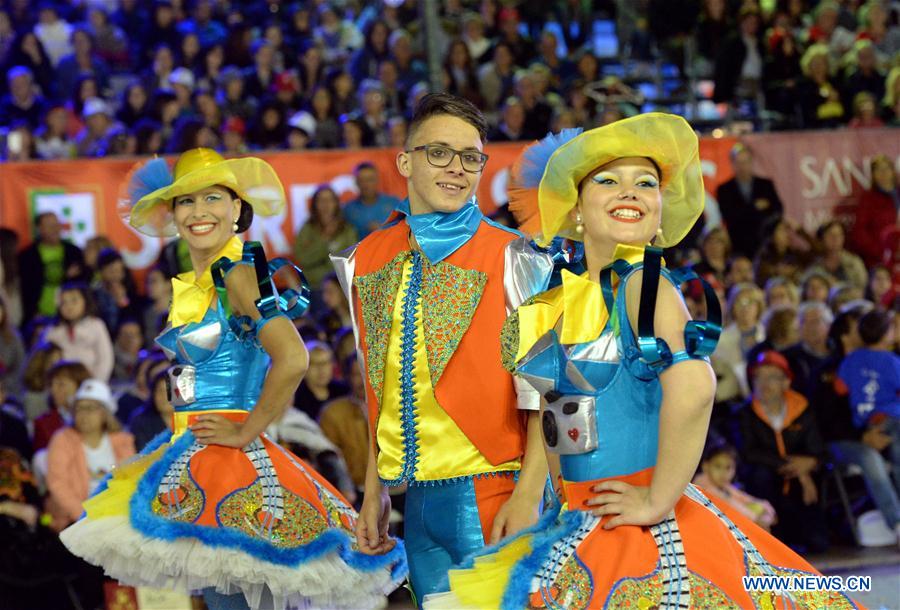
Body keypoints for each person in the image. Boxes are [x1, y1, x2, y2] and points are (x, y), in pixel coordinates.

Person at [425, 114, 859, 609]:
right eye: (608, 180)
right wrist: (532, 494)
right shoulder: (566, 297)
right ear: (577, 209)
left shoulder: (640, 283)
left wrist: (658, 498)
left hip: (635, 531)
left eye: (646, 183)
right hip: (580, 520)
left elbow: (695, 386)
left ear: (658, 214)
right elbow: (558, 412)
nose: (629, 192)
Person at [59, 148, 406, 610]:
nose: (198, 212)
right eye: (185, 201)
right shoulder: (194, 284)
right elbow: (187, 371)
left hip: (231, 458)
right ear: (173, 213)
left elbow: (294, 359)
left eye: (212, 199)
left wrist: (246, 429)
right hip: (195, 454)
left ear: (238, 209)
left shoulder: (239, 273)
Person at [330, 93, 553, 603]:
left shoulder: (515, 254)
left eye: (470, 157)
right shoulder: (365, 258)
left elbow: (547, 388)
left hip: (498, 488)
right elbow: (377, 387)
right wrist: (375, 489)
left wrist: (528, 495)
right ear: (405, 161)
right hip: (417, 501)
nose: (457, 169)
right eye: (439, 153)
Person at [46, 378, 135, 530]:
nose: (83, 414)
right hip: (76, 520)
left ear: (105, 412)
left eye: (90, 408)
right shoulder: (63, 440)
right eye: (79, 408)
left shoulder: (123, 441)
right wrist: (85, 517)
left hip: (117, 518)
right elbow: (58, 483)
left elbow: (132, 481)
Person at [716, 143, 783, 259]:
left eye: (745, 162)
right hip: (738, 243)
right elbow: (729, 215)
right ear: (732, 164)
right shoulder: (724, 190)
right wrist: (754, 207)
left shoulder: (765, 185)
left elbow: (778, 209)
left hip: (765, 241)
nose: (742, 167)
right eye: (739, 163)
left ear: (752, 162)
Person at [17, 212, 85, 324]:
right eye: (50, 226)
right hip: (39, 316)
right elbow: (24, 288)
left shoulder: (74, 252)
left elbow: (84, 282)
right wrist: (33, 312)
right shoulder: (27, 256)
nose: (55, 229)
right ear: (40, 228)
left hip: (72, 315)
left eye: (57, 225)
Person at [693, 440, 776, 531]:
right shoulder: (702, 486)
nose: (724, 473)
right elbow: (733, 508)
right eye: (718, 466)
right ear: (705, 466)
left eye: (728, 467)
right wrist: (759, 519)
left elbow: (747, 499)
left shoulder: (725, 486)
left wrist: (767, 513)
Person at [342, 162, 401, 239]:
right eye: (362, 180)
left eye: (370, 180)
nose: (366, 185)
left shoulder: (394, 204)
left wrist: (382, 230)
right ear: (356, 183)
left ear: (377, 180)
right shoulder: (348, 209)